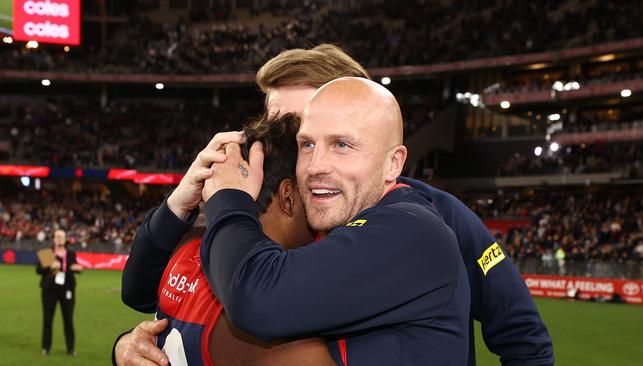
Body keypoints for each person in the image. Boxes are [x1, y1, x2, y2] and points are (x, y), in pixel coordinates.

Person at [118, 44, 553, 365]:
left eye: (304, 128)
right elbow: (146, 293)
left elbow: (522, 337)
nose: (285, 146)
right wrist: (179, 202)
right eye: (289, 132)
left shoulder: (434, 217)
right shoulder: (267, 210)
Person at [199, 77, 470, 365]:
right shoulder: (338, 229)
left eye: (341, 145)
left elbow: (254, 298)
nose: (315, 166)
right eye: (306, 145)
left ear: (393, 163)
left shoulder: (411, 231)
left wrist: (227, 198)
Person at [115, 113, 336, 366]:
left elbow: (136, 292)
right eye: (316, 188)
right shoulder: (279, 329)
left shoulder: (188, 244)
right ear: (288, 197)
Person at [36, 229, 83, 356]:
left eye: (62, 237)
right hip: (49, 290)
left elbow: (73, 266)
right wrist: (49, 267)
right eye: (57, 236)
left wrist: (77, 269)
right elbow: (39, 270)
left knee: (68, 319)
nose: (59, 239)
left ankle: (71, 349)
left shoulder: (71, 254)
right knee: (48, 319)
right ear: (53, 239)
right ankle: (46, 348)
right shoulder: (47, 253)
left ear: (65, 239)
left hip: (67, 289)